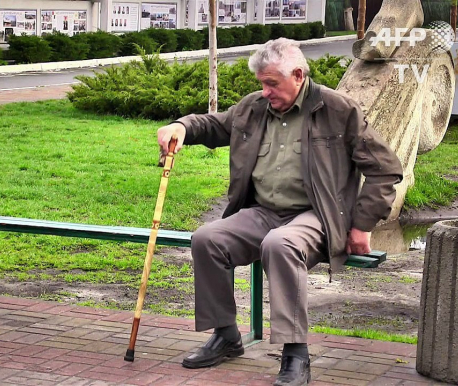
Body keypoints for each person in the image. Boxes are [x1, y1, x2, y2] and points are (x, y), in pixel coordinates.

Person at [156, 38, 403, 386]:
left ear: (298, 75)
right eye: (262, 83)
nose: (265, 90)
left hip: (317, 216)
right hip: (264, 211)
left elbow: (385, 168)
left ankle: (295, 353)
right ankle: (226, 335)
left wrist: (362, 224)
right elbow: (215, 125)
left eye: (272, 83)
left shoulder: (338, 109)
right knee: (207, 238)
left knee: (281, 244)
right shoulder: (253, 108)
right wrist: (181, 127)